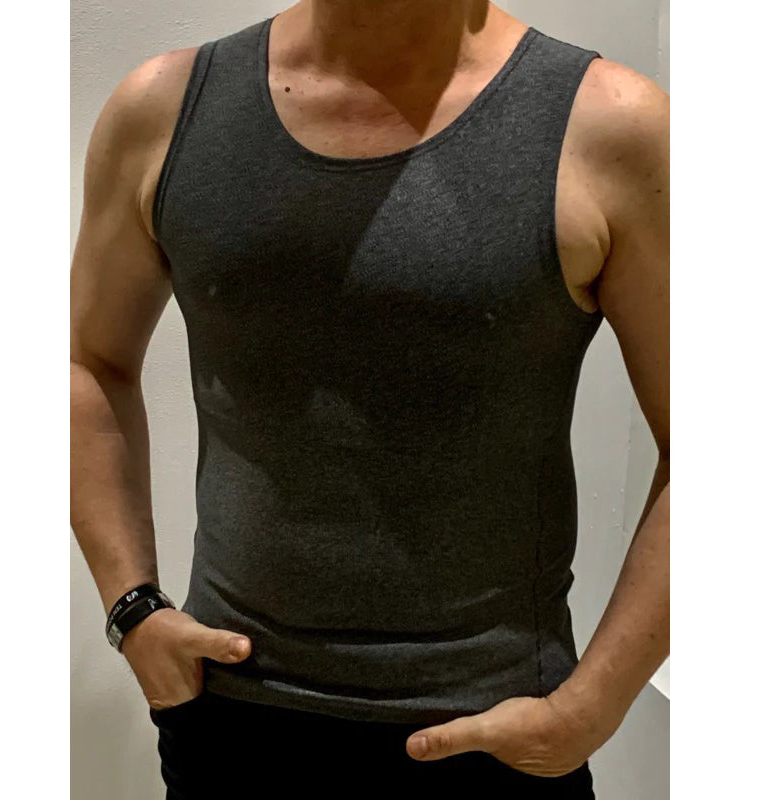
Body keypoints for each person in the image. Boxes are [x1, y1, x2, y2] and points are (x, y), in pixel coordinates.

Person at [70, 1, 669, 796]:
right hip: (227, 721)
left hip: (492, 739)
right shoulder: (162, 110)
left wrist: (592, 707)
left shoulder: (611, 127)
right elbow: (88, 363)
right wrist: (133, 610)